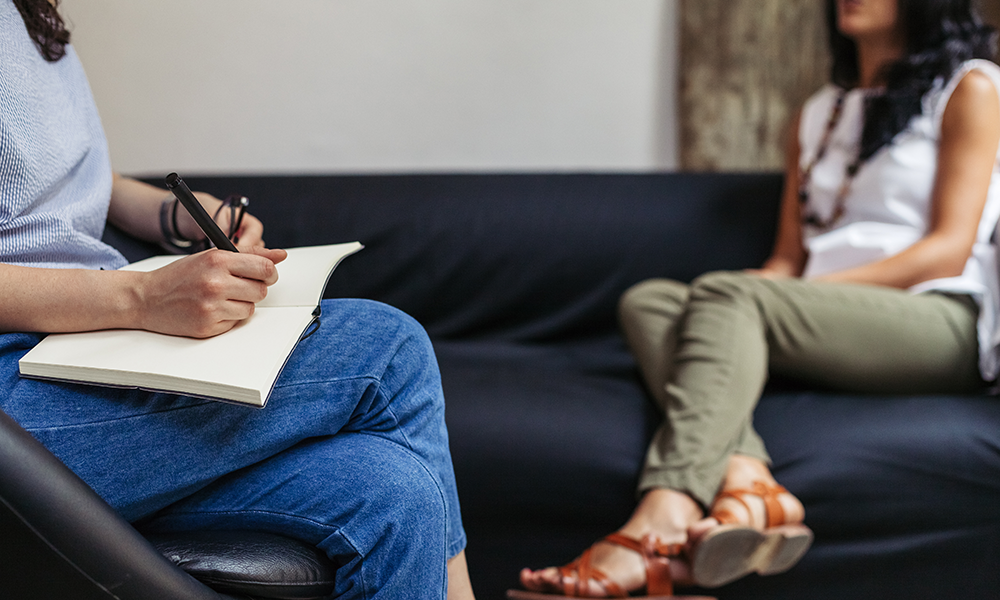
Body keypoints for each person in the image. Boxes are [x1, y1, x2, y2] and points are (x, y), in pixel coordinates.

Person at [518, 0, 1000, 596]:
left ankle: (665, 510)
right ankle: (752, 486)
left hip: (938, 317)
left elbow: (948, 249)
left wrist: (781, 296)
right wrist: (758, 291)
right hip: (820, 313)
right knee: (652, 300)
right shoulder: (820, 113)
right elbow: (786, 260)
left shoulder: (970, 88)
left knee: (728, 295)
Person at [0, 1, 476, 599]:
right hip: (17, 396)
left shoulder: (27, 13)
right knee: (389, 346)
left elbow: (63, 181)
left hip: (76, 342)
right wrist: (140, 296)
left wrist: (175, 214)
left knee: (397, 494)